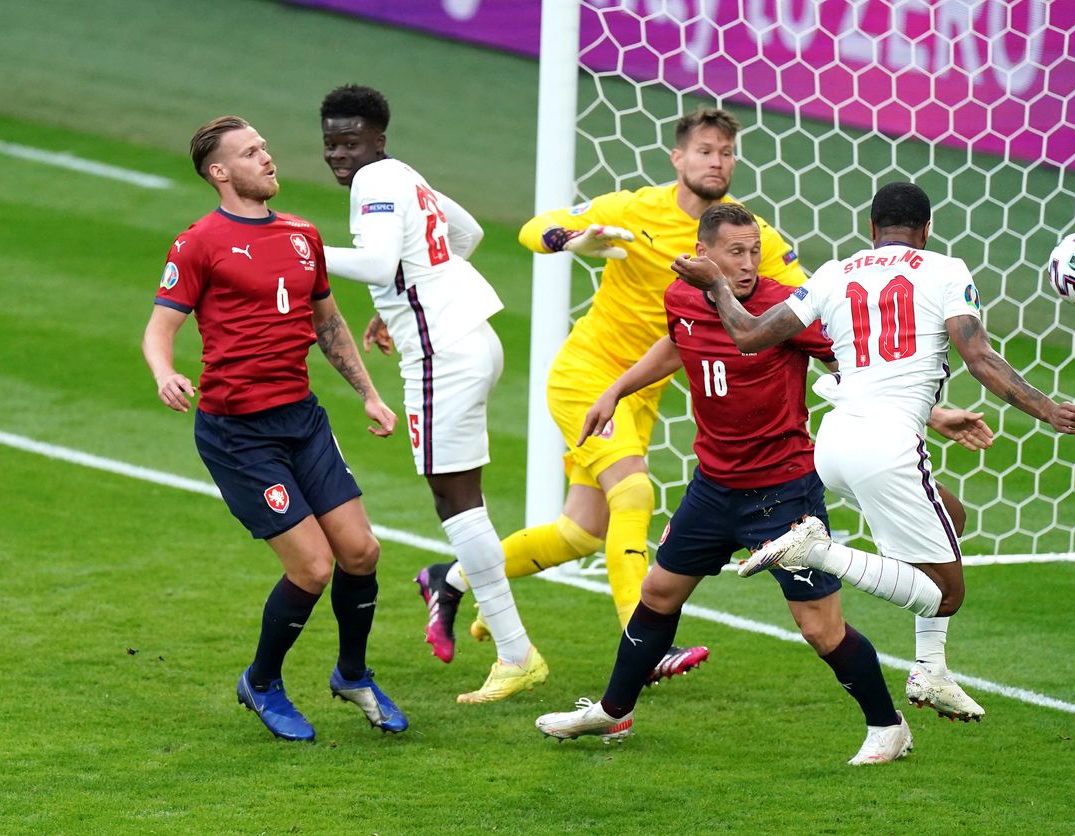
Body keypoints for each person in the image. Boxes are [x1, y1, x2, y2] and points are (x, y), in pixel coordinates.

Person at [534, 203, 991, 762]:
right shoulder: (682, 296)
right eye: (735, 252)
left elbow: (857, 365)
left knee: (821, 629)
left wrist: (935, 415)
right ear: (704, 254)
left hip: (783, 490)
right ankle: (612, 712)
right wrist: (615, 389)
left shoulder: (784, 308)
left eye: (754, 251)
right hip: (713, 485)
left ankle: (887, 726)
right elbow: (678, 342)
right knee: (656, 593)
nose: (748, 263)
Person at [673, 182, 1075, 721]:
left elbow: (748, 335)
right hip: (889, 449)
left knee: (949, 515)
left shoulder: (831, 274)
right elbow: (979, 357)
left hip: (836, 443)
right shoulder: (946, 270)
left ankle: (930, 669)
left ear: (870, 231)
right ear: (927, 229)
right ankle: (815, 552)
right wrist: (1045, 407)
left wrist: (717, 289)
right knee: (946, 595)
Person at [425, 107, 807, 684]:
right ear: (678, 157)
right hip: (588, 375)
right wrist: (573, 238)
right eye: (704, 150)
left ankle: (448, 579)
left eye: (726, 152)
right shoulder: (633, 209)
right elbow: (536, 227)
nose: (717, 161)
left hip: (641, 395)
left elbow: (810, 300)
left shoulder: (744, 237)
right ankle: (645, 640)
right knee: (632, 494)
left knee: (581, 532)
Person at [141, 115, 408, 741]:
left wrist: (368, 394)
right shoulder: (198, 243)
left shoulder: (301, 234)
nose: (268, 158)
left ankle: (352, 674)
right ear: (219, 172)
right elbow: (160, 328)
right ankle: (261, 682)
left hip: (302, 419)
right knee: (312, 567)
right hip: (239, 434)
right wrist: (164, 372)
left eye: (264, 148)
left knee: (362, 552)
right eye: (251, 152)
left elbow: (329, 323)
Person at [317, 84, 546, 704]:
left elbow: (373, 263)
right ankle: (506, 643)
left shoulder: (375, 182)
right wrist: (396, 307)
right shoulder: (403, 175)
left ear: (377, 140)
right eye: (331, 144)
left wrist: (300, 244)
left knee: (455, 501)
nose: (339, 155)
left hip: (441, 356)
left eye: (350, 142)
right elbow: (465, 232)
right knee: (460, 498)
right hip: (473, 340)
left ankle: (514, 652)